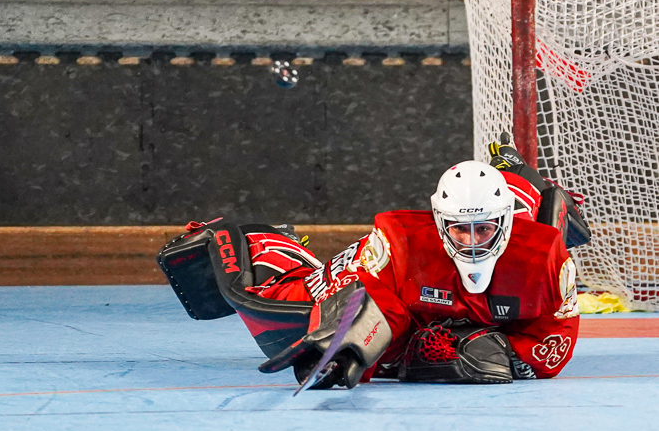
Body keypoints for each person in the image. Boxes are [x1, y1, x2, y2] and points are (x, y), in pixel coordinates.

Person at [157, 135, 591, 388]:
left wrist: (491, 350)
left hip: (470, 281)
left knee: (531, 205)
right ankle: (263, 238)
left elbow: (554, 350)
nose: (473, 241)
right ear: (439, 222)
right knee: (278, 306)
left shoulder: (547, 258)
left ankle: (517, 171)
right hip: (373, 277)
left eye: (485, 229)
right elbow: (373, 306)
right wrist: (356, 350)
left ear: (505, 224)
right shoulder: (400, 244)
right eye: (460, 228)